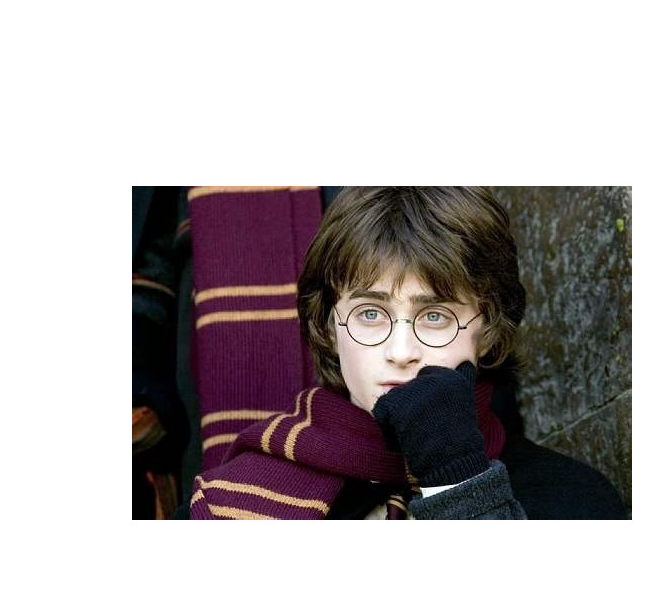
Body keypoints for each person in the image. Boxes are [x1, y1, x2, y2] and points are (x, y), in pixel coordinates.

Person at [186, 186, 627, 520]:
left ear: (489, 332)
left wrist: (457, 478)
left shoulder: (571, 500)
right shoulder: (230, 499)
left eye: (435, 316)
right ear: (328, 326)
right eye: (370, 314)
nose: (401, 352)